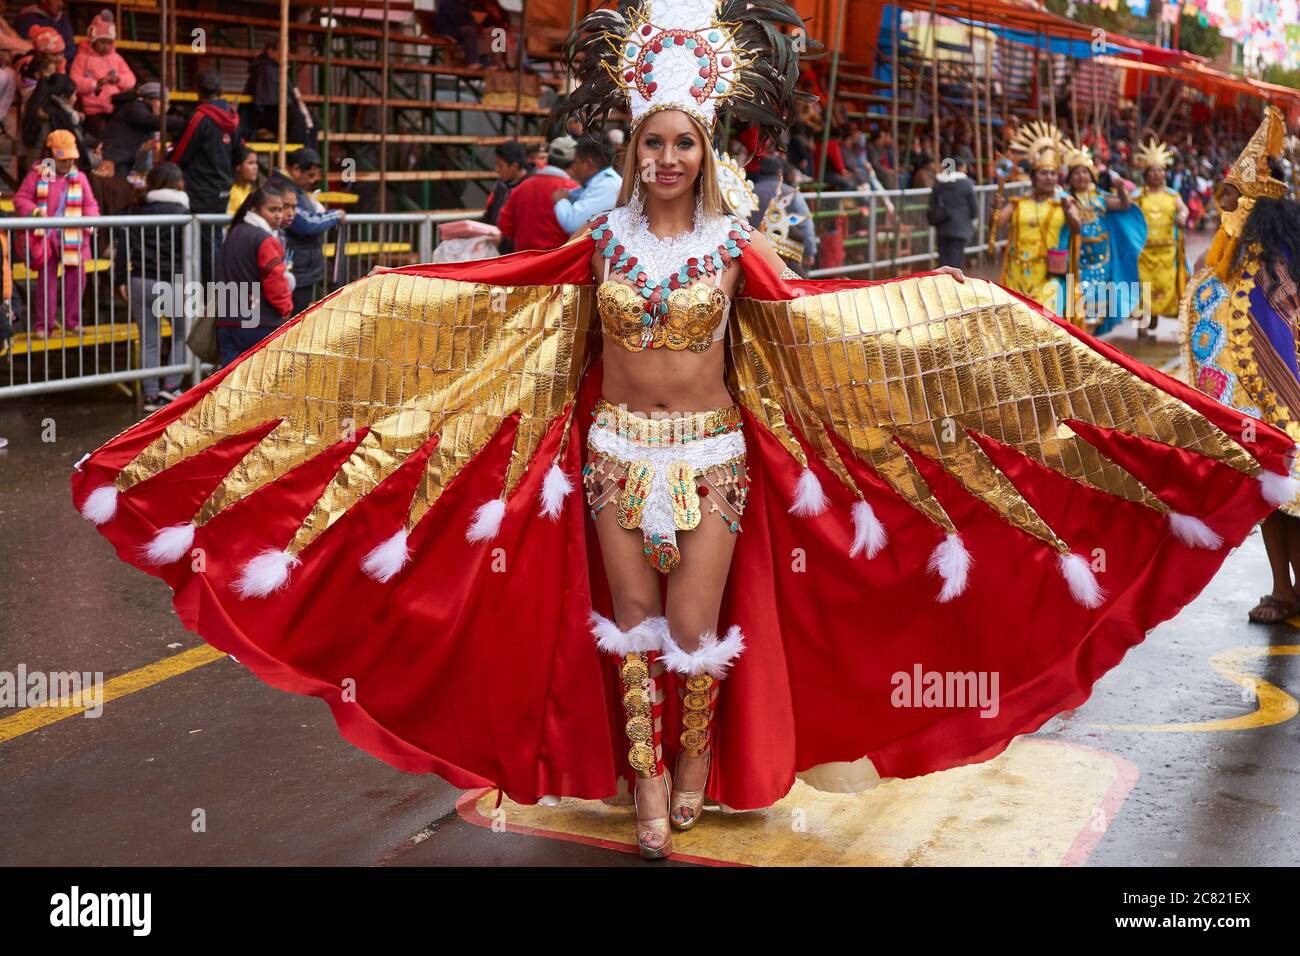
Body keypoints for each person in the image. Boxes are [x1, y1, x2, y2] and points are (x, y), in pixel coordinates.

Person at [74, 0, 1296, 869]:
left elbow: (831, 326)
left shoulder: (735, 248)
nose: (665, 156)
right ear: (632, 148)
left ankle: (697, 772)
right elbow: (489, 310)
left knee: (697, 632)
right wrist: (380, 312)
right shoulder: (597, 246)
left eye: (683, 142)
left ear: (705, 151)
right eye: (651, 140)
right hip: (611, 453)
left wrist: (968, 331)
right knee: (630, 632)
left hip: (712, 461)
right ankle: (649, 788)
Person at [1181, 107, 1300, 622]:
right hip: (1257, 412)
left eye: (1231, 196)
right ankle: (1283, 589)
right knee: (1269, 497)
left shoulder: (1288, 260)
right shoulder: (1226, 265)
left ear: (1254, 205)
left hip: (1292, 405)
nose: (1221, 202)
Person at [114, 162, 189, 411]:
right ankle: (172, 387)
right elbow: (189, 251)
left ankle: (151, 396)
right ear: (178, 185)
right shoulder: (183, 213)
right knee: (182, 334)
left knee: (149, 340)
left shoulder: (134, 210)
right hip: (173, 280)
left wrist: (121, 278)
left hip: (139, 280)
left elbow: (122, 247)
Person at [992, 120, 1083, 324]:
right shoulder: (1018, 203)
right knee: (1015, 324)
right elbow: (996, 225)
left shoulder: (1065, 202)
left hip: (1048, 276)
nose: (1049, 178)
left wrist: (1069, 212)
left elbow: (1077, 228)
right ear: (1033, 176)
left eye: (1053, 173)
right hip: (1016, 274)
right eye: (1044, 173)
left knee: (1045, 323)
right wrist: (996, 208)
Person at [13, 128, 98, 335]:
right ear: (50, 155)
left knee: (77, 280)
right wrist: (34, 211)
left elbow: (90, 204)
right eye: (62, 159)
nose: (67, 163)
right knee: (46, 284)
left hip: (73, 237)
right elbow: (21, 199)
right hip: (46, 238)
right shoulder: (44, 174)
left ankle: (72, 322)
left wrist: (91, 221)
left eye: (70, 159)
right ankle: (44, 325)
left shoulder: (78, 177)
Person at [1061, 144, 1146, 336]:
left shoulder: (1100, 199)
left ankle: (1089, 342)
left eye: (1084, 172)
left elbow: (1124, 205)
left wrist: (1120, 189)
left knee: (1095, 307)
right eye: (1076, 173)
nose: (1081, 176)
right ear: (1069, 178)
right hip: (1075, 263)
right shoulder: (1065, 199)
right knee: (1074, 306)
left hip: (1101, 262)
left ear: (1092, 175)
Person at [211, 181, 293, 367]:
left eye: (281, 210)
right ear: (255, 209)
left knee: (229, 387)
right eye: (273, 210)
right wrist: (286, 310)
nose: (279, 215)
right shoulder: (265, 240)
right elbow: (276, 283)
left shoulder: (233, 233)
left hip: (228, 322)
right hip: (261, 324)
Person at [168, 69, 238, 279]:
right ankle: (215, 292)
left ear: (198, 91)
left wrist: (165, 166)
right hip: (223, 188)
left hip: (201, 190)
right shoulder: (233, 116)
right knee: (214, 240)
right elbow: (237, 154)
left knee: (200, 244)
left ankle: (210, 295)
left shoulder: (200, 117)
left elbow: (181, 153)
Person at [269, 147, 343, 316]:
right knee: (288, 326)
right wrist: (334, 215)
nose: (312, 181)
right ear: (295, 169)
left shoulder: (289, 187)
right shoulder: (282, 189)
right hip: (294, 269)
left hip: (300, 268)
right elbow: (304, 223)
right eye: (309, 175)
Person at [1133, 137, 1190, 336]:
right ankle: (1142, 323)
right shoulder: (1138, 196)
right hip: (1144, 252)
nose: (1157, 174)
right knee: (1143, 288)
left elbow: (1184, 210)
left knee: (1165, 287)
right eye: (1152, 171)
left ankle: (1156, 315)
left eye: (1160, 170)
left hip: (1167, 252)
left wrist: (1182, 216)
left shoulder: (1173, 196)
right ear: (1146, 175)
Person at [495, 134, 578, 253]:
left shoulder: (521, 187)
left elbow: (505, 225)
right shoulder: (573, 190)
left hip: (524, 262)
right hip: (558, 262)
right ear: (575, 164)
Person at [69, 10, 134, 139]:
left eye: (109, 43)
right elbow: (74, 81)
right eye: (102, 42)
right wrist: (95, 84)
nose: (106, 46)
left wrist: (118, 80)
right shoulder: (82, 58)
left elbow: (131, 80)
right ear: (93, 41)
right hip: (92, 110)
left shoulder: (116, 58)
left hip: (115, 108)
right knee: (100, 136)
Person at [102, 81, 183, 179]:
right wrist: (184, 123)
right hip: (117, 160)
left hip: (129, 162)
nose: (165, 107)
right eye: (163, 102)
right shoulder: (135, 107)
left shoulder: (144, 112)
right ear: (150, 99)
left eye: (167, 104)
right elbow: (148, 120)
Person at [552, 137, 620, 234]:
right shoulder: (602, 182)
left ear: (588, 163)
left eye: (576, 162)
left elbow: (572, 223)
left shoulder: (607, 185)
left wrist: (561, 200)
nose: (574, 168)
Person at [927, 156, 978, 269]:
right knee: (956, 259)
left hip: (943, 226)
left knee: (943, 260)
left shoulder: (939, 183)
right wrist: (973, 220)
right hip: (960, 228)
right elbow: (973, 207)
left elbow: (932, 203)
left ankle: (941, 285)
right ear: (959, 168)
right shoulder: (967, 184)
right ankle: (953, 285)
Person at [482, 140, 529, 226]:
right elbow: (490, 215)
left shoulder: (530, 189)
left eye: (501, 166)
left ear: (514, 166)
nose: (497, 170)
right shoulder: (500, 185)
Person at [14, 0, 73, 68]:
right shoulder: (25, 20)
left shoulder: (63, 20)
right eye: (57, 0)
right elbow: (25, 50)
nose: (61, 4)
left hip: (69, 67)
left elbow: (71, 48)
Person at [226, 142, 260, 215]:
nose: (255, 167)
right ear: (238, 166)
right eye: (251, 163)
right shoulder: (229, 191)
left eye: (256, 163)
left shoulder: (255, 190)